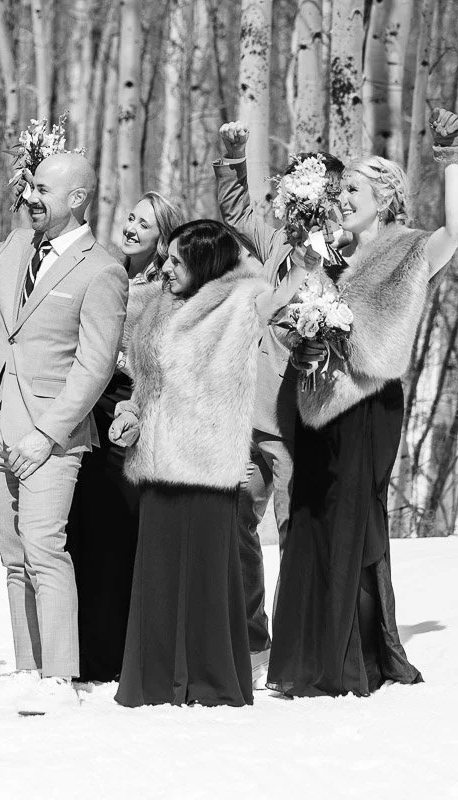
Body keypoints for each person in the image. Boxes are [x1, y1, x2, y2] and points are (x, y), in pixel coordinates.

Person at [267, 110, 458, 698]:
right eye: (340, 190)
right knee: (311, 517)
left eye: (353, 189)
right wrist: (302, 333)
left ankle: (356, 657)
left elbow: (456, 233)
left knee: (354, 517)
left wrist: (451, 160)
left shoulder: (411, 250)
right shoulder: (327, 252)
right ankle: (305, 656)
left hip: (371, 405)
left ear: (385, 198)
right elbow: (284, 313)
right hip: (315, 400)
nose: (342, 198)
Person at [0, 155, 128, 714]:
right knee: (13, 554)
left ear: (77, 198)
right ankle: (29, 667)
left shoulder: (102, 270)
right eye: (31, 187)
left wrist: (46, 433)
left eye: (44, 189)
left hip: (51, 435)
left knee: (46, 549)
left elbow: (94, 367)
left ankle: (59, 677)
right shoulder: (16, 246)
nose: (32, 197)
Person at [111, 219, 291, 708]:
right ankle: (155, 679)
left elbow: (280, 297)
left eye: (177, 260)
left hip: (210, 463)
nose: (166, 268)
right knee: (158, 579)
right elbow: (146, 385)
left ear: (205, 262)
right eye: (167, 258)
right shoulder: (154, 307)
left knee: (210, 580)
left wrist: (294, 257)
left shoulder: (242, 301)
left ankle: (211, 680)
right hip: (157, 459)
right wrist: (129, 415)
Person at [215, 122, 346, 681]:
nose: (308, 205)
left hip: (302, 417)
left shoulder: (342, 257)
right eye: (298, 194)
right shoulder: (277, 245)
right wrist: (234, 156)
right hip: (250, 410)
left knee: (296, 529)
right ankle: (252, 637)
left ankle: (300, 641)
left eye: (320, 195)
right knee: (236, 523)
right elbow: (235, 211)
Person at [65, 191, 184, 683]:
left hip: (128, 406)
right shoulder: (106, 269)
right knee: (80, 526)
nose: (132, 227)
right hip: (85, 402)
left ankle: (116, 654)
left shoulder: (166, 290)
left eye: (145, 224)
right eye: (131, 218)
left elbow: (161, 361)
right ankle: (80, 651)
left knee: (116, 527)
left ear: (163, 239)